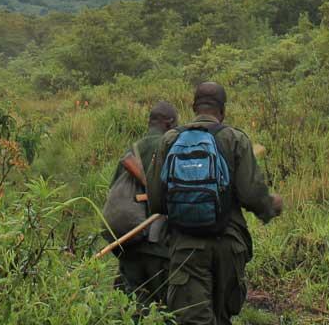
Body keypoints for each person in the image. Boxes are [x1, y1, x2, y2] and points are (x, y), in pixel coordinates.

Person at [145, 82, 283, 325]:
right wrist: (271, 206)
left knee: (193, 319)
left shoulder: (170, 140)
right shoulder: (236, 139)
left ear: (193, 106)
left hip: (186, 248)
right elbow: (252, 195)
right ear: (223, 110)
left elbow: (155, 200)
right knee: (221, 316)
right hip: (229, 246)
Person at [110, 100, 179, 309]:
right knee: (166, 310)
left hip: (128, 242)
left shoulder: (132, 150)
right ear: (169, 124)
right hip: (159, 247)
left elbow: (114, 190)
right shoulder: (173, 148)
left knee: (133, 310)